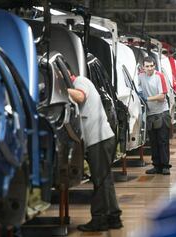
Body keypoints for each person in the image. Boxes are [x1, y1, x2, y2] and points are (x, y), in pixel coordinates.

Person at [68, 75, 123, 232]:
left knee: (100, 181)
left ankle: (99, 220)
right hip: (102, 139)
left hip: (99, 140)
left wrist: (61, 89)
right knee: (105, 181)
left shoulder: (79, 81)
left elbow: (79, 96)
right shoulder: (79, 82)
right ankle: (114, 217)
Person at [138, 56, 171, 175]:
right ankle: (156, 166)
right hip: (150, 114)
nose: (150, 68)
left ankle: (165, 166)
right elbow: (137, 87)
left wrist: (146, 98)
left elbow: (162, 97)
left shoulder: (159, 76)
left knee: (163, 141)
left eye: (152, 66)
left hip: (162, 113)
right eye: (147, 66)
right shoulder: (140, 76)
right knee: (153, 142)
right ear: (143, 67)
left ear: (154, 66)